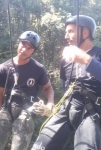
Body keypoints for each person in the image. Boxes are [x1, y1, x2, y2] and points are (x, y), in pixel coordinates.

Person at [31, 15, 101, 150]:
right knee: (40, 147)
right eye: (66, 32)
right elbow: (65, 85)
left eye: (70, 31)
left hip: (92, 112)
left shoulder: (98, 54)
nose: (65, 36)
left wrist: (87, 60)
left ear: (85, 33)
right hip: (67, 108)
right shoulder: (66, 59)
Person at [0, 31, 54, 150]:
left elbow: (48, 87)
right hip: (7, 108)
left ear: (33, 51)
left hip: (27, 110)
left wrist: (50, 102)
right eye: (23, 45)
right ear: (18, 43)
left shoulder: (38, 68)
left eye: (29, 48)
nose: (24, 49)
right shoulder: (3, 67)